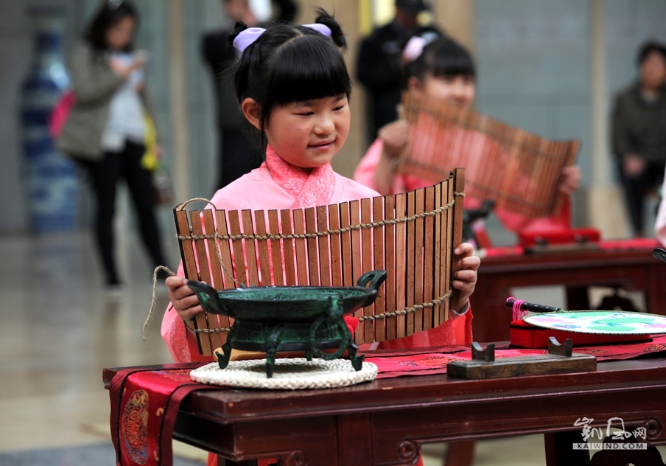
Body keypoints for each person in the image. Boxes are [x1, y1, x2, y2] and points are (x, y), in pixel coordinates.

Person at [163, 11, 480, 466]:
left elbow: (406, 339)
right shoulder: (228, 208)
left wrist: (450, 298)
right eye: (306, 111)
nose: (326, 125)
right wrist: (189, 311)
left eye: (337, 105)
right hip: (266, 414)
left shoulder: (369, 204)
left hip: (360, 405)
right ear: (255, 113)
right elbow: (200, 345)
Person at [355, 35, 582, 239]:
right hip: (414, 250)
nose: (460, 91)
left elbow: (521, 203)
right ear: (415, 87)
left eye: (467, 81)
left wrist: (555, 188)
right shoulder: (399, 137)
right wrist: (386, 154)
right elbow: (372, 204)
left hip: (472, 247)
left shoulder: (483, 144)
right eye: (447, 80)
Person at [56, 0, 168, 290]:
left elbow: (147, 100)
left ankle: (161, 269)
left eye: (129, 30)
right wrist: (120, 74)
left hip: (135, 139)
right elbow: (85, 91)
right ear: (104, 27)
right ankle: (111, 276)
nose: (124, 36)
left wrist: (156, 139)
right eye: (118, 29)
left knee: (145, 205)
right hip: (102, 143)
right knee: (107, 207)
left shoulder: (131, 55)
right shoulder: (85, 52)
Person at [202, 0, 298, 189]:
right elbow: (217, 51)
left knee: (276, 185)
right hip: (235, 128)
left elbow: (290, 10)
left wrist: (258, 22)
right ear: (226, 7)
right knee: (232, 184)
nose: (240, 5)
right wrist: (244, 29)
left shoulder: (266, 34)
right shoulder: (216, 40)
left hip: (268, 124)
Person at [356, 0, 441, 142]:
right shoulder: (377, 38)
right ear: (396, 8)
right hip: (388, 114)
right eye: (409, 13)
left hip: (428, 112)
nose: (412, 17)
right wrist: (397, 65)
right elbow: (364, 75)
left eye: (416, 13)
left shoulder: (432, 35)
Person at [612, 41, 666, 237]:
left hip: (663, 163)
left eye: (659, 65)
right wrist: (628, 156)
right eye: (649, 63)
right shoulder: (624, 99)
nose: (653, 69)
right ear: (641, 66)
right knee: (632, 174)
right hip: (639, 163)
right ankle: (639, 230)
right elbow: (618, 136)